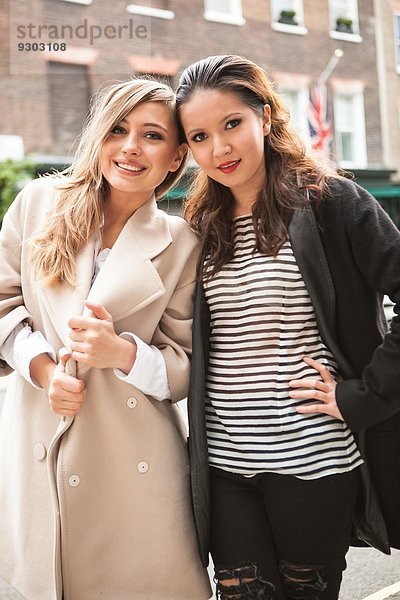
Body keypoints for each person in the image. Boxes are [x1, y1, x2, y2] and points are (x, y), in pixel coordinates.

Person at [176, 54, 400, 600]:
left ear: (266, 119)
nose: (220, 149)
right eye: (200, 136)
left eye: (233, 124)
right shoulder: (196, 228)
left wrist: (364, 396)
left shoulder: (333, 203)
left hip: (313, 463)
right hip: (225, 468)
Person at [0, 77, 212, 600]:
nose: (130, 148)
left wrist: (122, 352)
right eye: (117, 129)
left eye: (152, 135)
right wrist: (44, 371)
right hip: (41, 435)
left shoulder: (181, 241)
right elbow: (4, 306)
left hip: (134, 457)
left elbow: (186, 364)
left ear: (176, 155)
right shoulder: (37, 203)